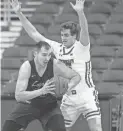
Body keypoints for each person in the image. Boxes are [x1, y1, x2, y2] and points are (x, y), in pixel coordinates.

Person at [10, 0, 103, 131]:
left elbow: (85, 32)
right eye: (61, 35)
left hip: (87, 95)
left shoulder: (82, 47)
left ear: (74, 36)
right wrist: (19, 13)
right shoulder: (57, 48)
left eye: (66, 35)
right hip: (69, 98)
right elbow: (34, 34)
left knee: (97, 129)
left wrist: (80, 12)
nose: (63, 38)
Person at [2, 41, 81, 131]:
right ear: (35, 54)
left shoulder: (54, 64)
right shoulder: (27, 67)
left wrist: (67, 87)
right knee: (6, 129)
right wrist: (41, 91)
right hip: (29, 105)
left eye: (49, 55)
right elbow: (18, 96)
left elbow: (76, 76)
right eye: (44, 55)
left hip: (49, 106)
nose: (47, 58)